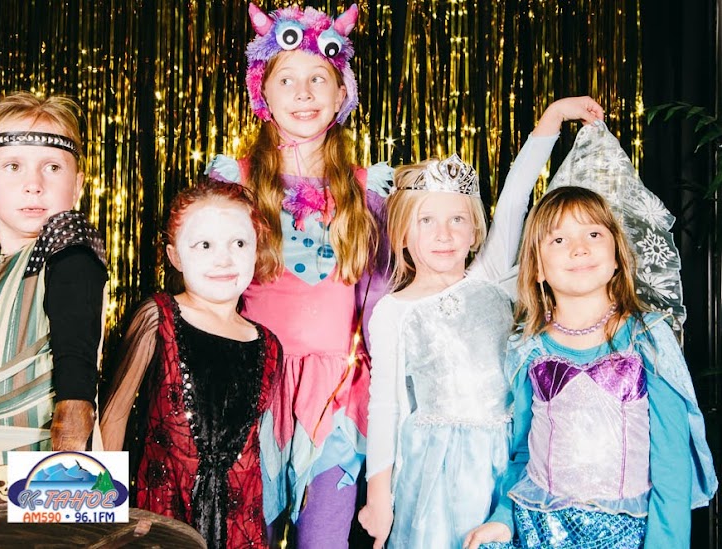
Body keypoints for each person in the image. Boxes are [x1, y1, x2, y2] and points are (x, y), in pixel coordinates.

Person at [358, 97, 606, 549]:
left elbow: (514, 198)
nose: (444, 234)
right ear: (403, 234)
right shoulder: (393, 311)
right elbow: (385, 407)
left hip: (510, 455)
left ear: (475, 231)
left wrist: (551, 119)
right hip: (436, 465)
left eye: (457, 220)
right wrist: (379, 497)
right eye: (426, 221)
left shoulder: (489, 278)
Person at [205, 3, 394, 546]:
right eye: (287, 79)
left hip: (337, 395)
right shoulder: (235, 185)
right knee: (248, 533)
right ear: (262, 93)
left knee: (325, 538)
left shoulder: (367, 192)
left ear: (342, 94)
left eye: (319, 79)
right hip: (252, 388)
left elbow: (379, 301)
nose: (304, 93)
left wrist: (390, 394)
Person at [463, 185, 718, 548]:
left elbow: (672, 461)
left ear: (617, 256)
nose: (579, 248)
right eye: (559, 240)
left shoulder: (646, 338)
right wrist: (503, 518)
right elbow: (523, 452)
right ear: (537, 267)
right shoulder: (528, 347)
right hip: (540, 531)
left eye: (593, 234)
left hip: (627, 535)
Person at [0, 92, 108, 499]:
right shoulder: (0, 268)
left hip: (46, 465)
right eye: (13, 166)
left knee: (44, 537)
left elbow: (76, 338)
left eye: (52, 167)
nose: (34, 185)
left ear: (77, 185)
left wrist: (74, 412)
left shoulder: (69, 247)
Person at [100, 181, 283, 549]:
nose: (224, 259)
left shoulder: (268, 345)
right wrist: (107, 514)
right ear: (176, 256)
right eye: (205, 245)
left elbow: (254, 450)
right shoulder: (158, 318)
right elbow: (114, 416)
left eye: (239, 243)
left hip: (238, 526)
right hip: (164, 517)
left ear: (257, 250)